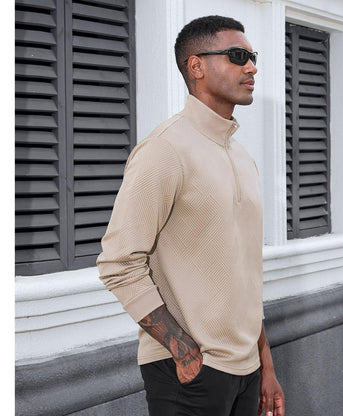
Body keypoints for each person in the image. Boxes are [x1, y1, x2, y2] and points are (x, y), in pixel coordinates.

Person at [97, 15, 285, 416]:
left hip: (247, 370)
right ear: (196, 66)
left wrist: (265, 365)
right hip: (190, 372)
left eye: (253, 57)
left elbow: (244, 275)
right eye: (238, 56)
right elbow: (118, 263)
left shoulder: (241, 156)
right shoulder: (165, 150)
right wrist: (183, 351)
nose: (252, 67)